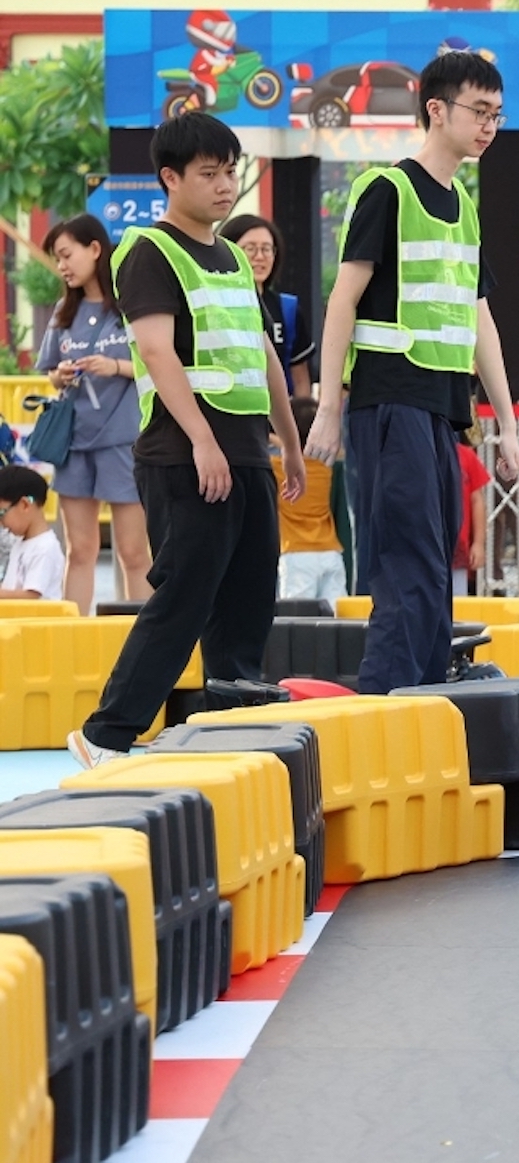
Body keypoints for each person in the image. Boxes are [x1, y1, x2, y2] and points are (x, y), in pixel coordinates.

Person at [70, 112, 305, 766]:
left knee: (251, 592)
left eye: (231, 171)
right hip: (184, 451)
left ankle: (236, 721)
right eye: (209, 174)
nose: (225, 186)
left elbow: (262, 355)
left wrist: (286, 440)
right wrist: (203, 439)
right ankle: (105, 733)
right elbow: (155, 350)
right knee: (186, 593)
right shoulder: (148, 250)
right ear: (170, 178)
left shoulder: (232, 254)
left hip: (248, 449)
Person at [305, 51, 519, 692]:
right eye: (478, 111)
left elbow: (481, 320)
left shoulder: (465, 204)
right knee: (405, 568)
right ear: (437, 109)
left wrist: (506, 424)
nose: (489, 126)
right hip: (389, 401)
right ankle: (385, 710)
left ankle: (424, 703)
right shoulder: (386, 190)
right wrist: (328, 405)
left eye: (496, 115)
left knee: (435, 570)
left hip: (441, 411)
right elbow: (342, 300)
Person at [36, 214, 149, 610]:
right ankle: (74, 634)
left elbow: (159, 361)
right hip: (75, 443)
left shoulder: (132, 305)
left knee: (135, 553)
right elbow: (49, 373)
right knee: (79, 551)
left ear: (95, 249)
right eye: (57, 258)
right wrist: (60, 376)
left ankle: (142, 642)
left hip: (123, 441)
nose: (62, 265)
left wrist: (115, 366)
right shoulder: (64, 313)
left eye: (67, 255)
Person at [218, 214, 314, 397]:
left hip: (278, 415)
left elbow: (300, 378)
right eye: (250, 249)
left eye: (267, 249)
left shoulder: (288, 309)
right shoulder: (212, 305)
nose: (260, 257)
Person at [275, 396, 345, 601]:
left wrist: (278, 437)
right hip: (331, 552)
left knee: (297, 625)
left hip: (296, 554)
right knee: (338, 623)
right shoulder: (325, 468)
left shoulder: (278, 467)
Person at [0, 467, 62, 601]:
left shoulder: (44, 548)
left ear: (25, 505)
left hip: (37, 620)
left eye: (1, 513)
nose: (1, 523)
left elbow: (31, 596)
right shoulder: (21, 543)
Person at [452, 434, 488, 597]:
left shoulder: (466, 455)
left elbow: (477, 501)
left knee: (457, 604)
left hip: (458, 548)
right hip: (425, 545)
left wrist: (479, 543)